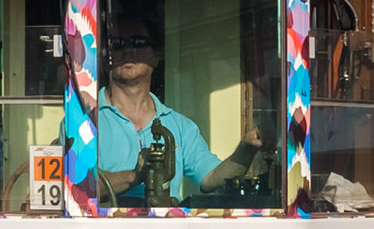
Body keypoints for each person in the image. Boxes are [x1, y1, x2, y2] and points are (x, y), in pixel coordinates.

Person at [97, 15, 263, 205]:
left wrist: (247, 149)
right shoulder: (84, 121)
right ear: (105, 59)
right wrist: (135, 175)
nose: (128, 50)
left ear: (156, 55)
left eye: (139, 42)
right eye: (118, 44)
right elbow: (76, 187)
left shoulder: (180, 126)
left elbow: (210, 178)